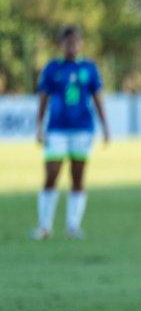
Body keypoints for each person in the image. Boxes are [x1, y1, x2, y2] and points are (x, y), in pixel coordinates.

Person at [32, 25, 110, 240]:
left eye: (75, 41)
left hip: (83, 130)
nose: (72, 45)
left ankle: (73, 226)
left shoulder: (89, 68)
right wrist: (38, 126)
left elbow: (98, 97)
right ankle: (44, 226)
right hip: (56, 130)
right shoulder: (52, 68)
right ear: (61, 44)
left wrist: (105, 126)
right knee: (51, 176)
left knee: (78, 177)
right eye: (68, 42)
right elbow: (43, 99)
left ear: (81, 43)